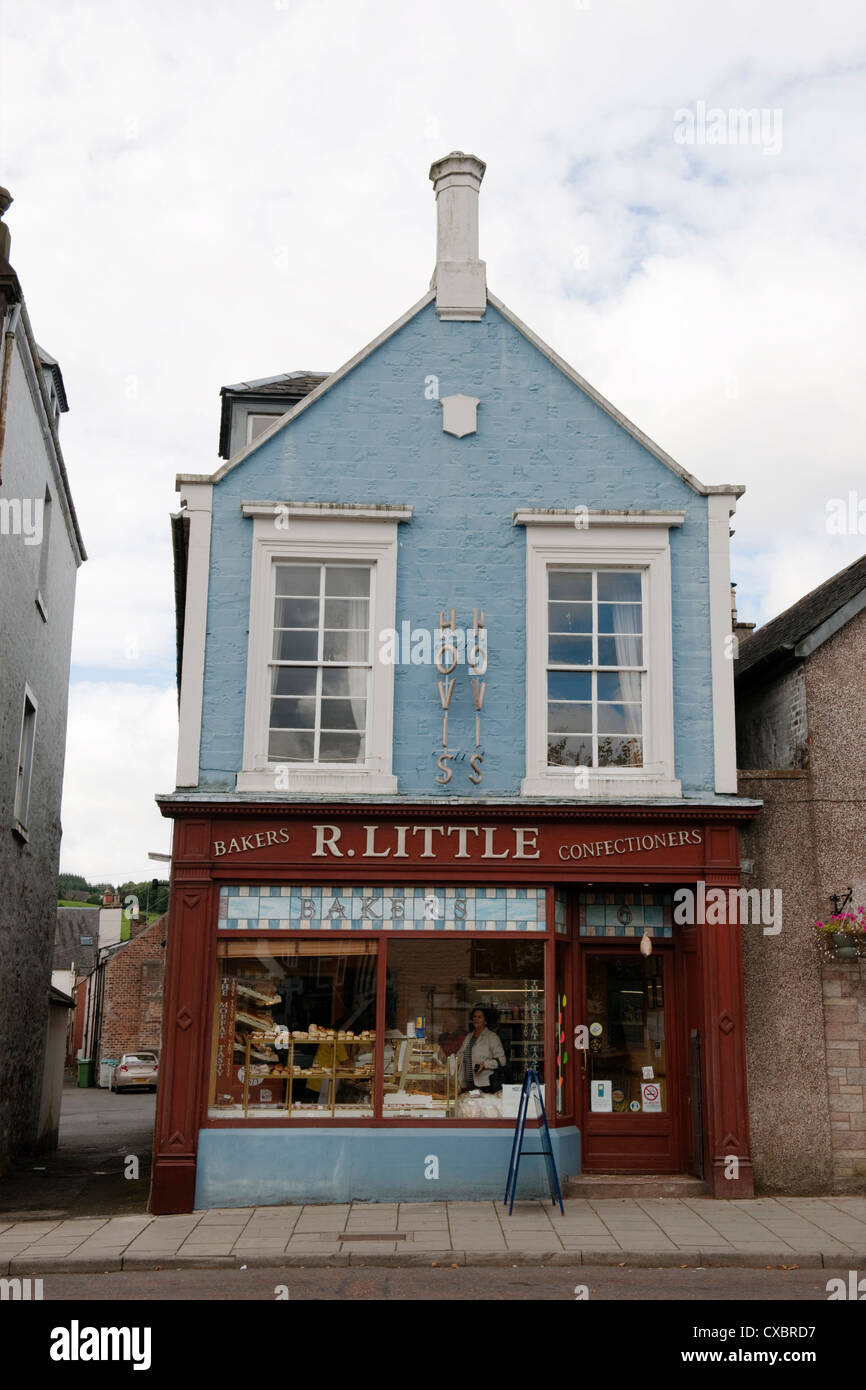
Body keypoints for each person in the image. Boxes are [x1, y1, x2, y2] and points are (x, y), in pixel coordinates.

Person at [456, 1006, 506, 1093]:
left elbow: (502, 1060)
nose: (476, 1019)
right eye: (474, 1017)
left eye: (479, 1017)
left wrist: (484, 1064)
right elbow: (459, 1055)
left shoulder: (492, 1037)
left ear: (485, 1021)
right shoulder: (469, 1037)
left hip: (484, 1083)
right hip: (467, 1083)